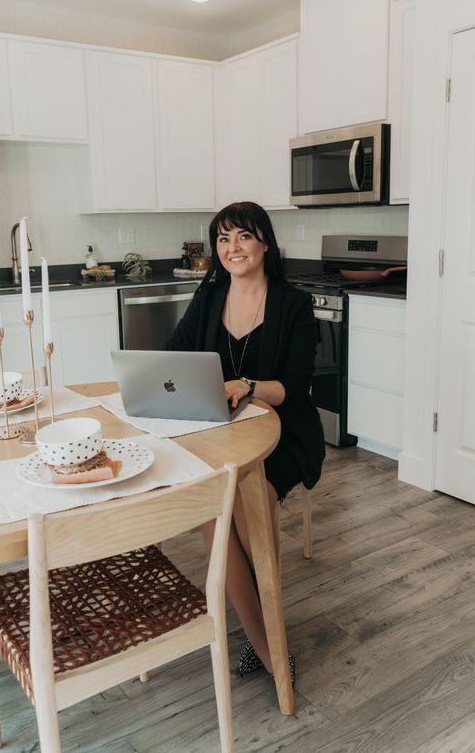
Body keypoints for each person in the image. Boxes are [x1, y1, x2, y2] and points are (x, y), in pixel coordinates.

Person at [166, 201, 325, 682]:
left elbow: (296, 387)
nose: (232, 248)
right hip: (219, 426)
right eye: (223, 239)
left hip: (283, 428)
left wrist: (248, 386)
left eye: (243, 237)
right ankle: (268, 642)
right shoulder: (209, 296)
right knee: (219, 505)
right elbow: (175, 355)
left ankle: (269, 650)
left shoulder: (293, 304)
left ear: (265, 244)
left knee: (234, 502)